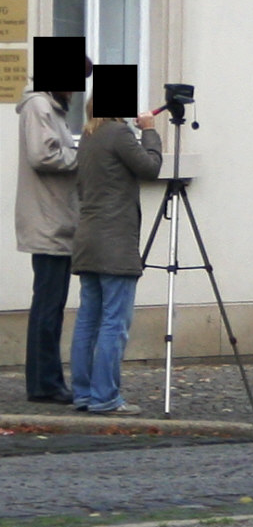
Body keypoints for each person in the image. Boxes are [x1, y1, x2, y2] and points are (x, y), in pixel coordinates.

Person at [69, 96, 162, 415]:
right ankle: (105, 396)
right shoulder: (118, 134)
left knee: (88, 320)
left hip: (88, 239)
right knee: (113, 322)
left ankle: (83, 392)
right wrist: (149, 131)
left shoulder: (88, 135)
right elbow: (150, 168)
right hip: (115, 242)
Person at [15, 89, 79, 404]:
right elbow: (42, 156)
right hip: (48, 220)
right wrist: (83, 158)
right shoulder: (40, 105)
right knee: (47, 308)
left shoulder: (53, 108)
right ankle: (45, 384)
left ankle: (47, 382)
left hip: (55, 219)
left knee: (50, 307)